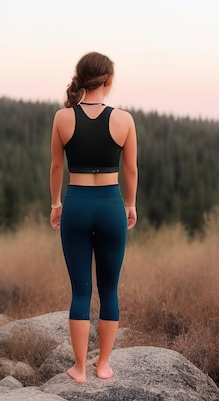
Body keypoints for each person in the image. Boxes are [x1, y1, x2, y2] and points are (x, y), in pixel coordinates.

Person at [49, 51, 138, 383]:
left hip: (77, 205)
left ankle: (80, 369)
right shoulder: (124, 120)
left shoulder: (62, 118)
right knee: (110, 288)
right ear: (109, 81)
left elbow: (57, 167)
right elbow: (130, 169)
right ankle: (103, 365)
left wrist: (56, 203)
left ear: (80, 78)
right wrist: (129, 204)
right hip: (111, 205)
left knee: (81, 291)